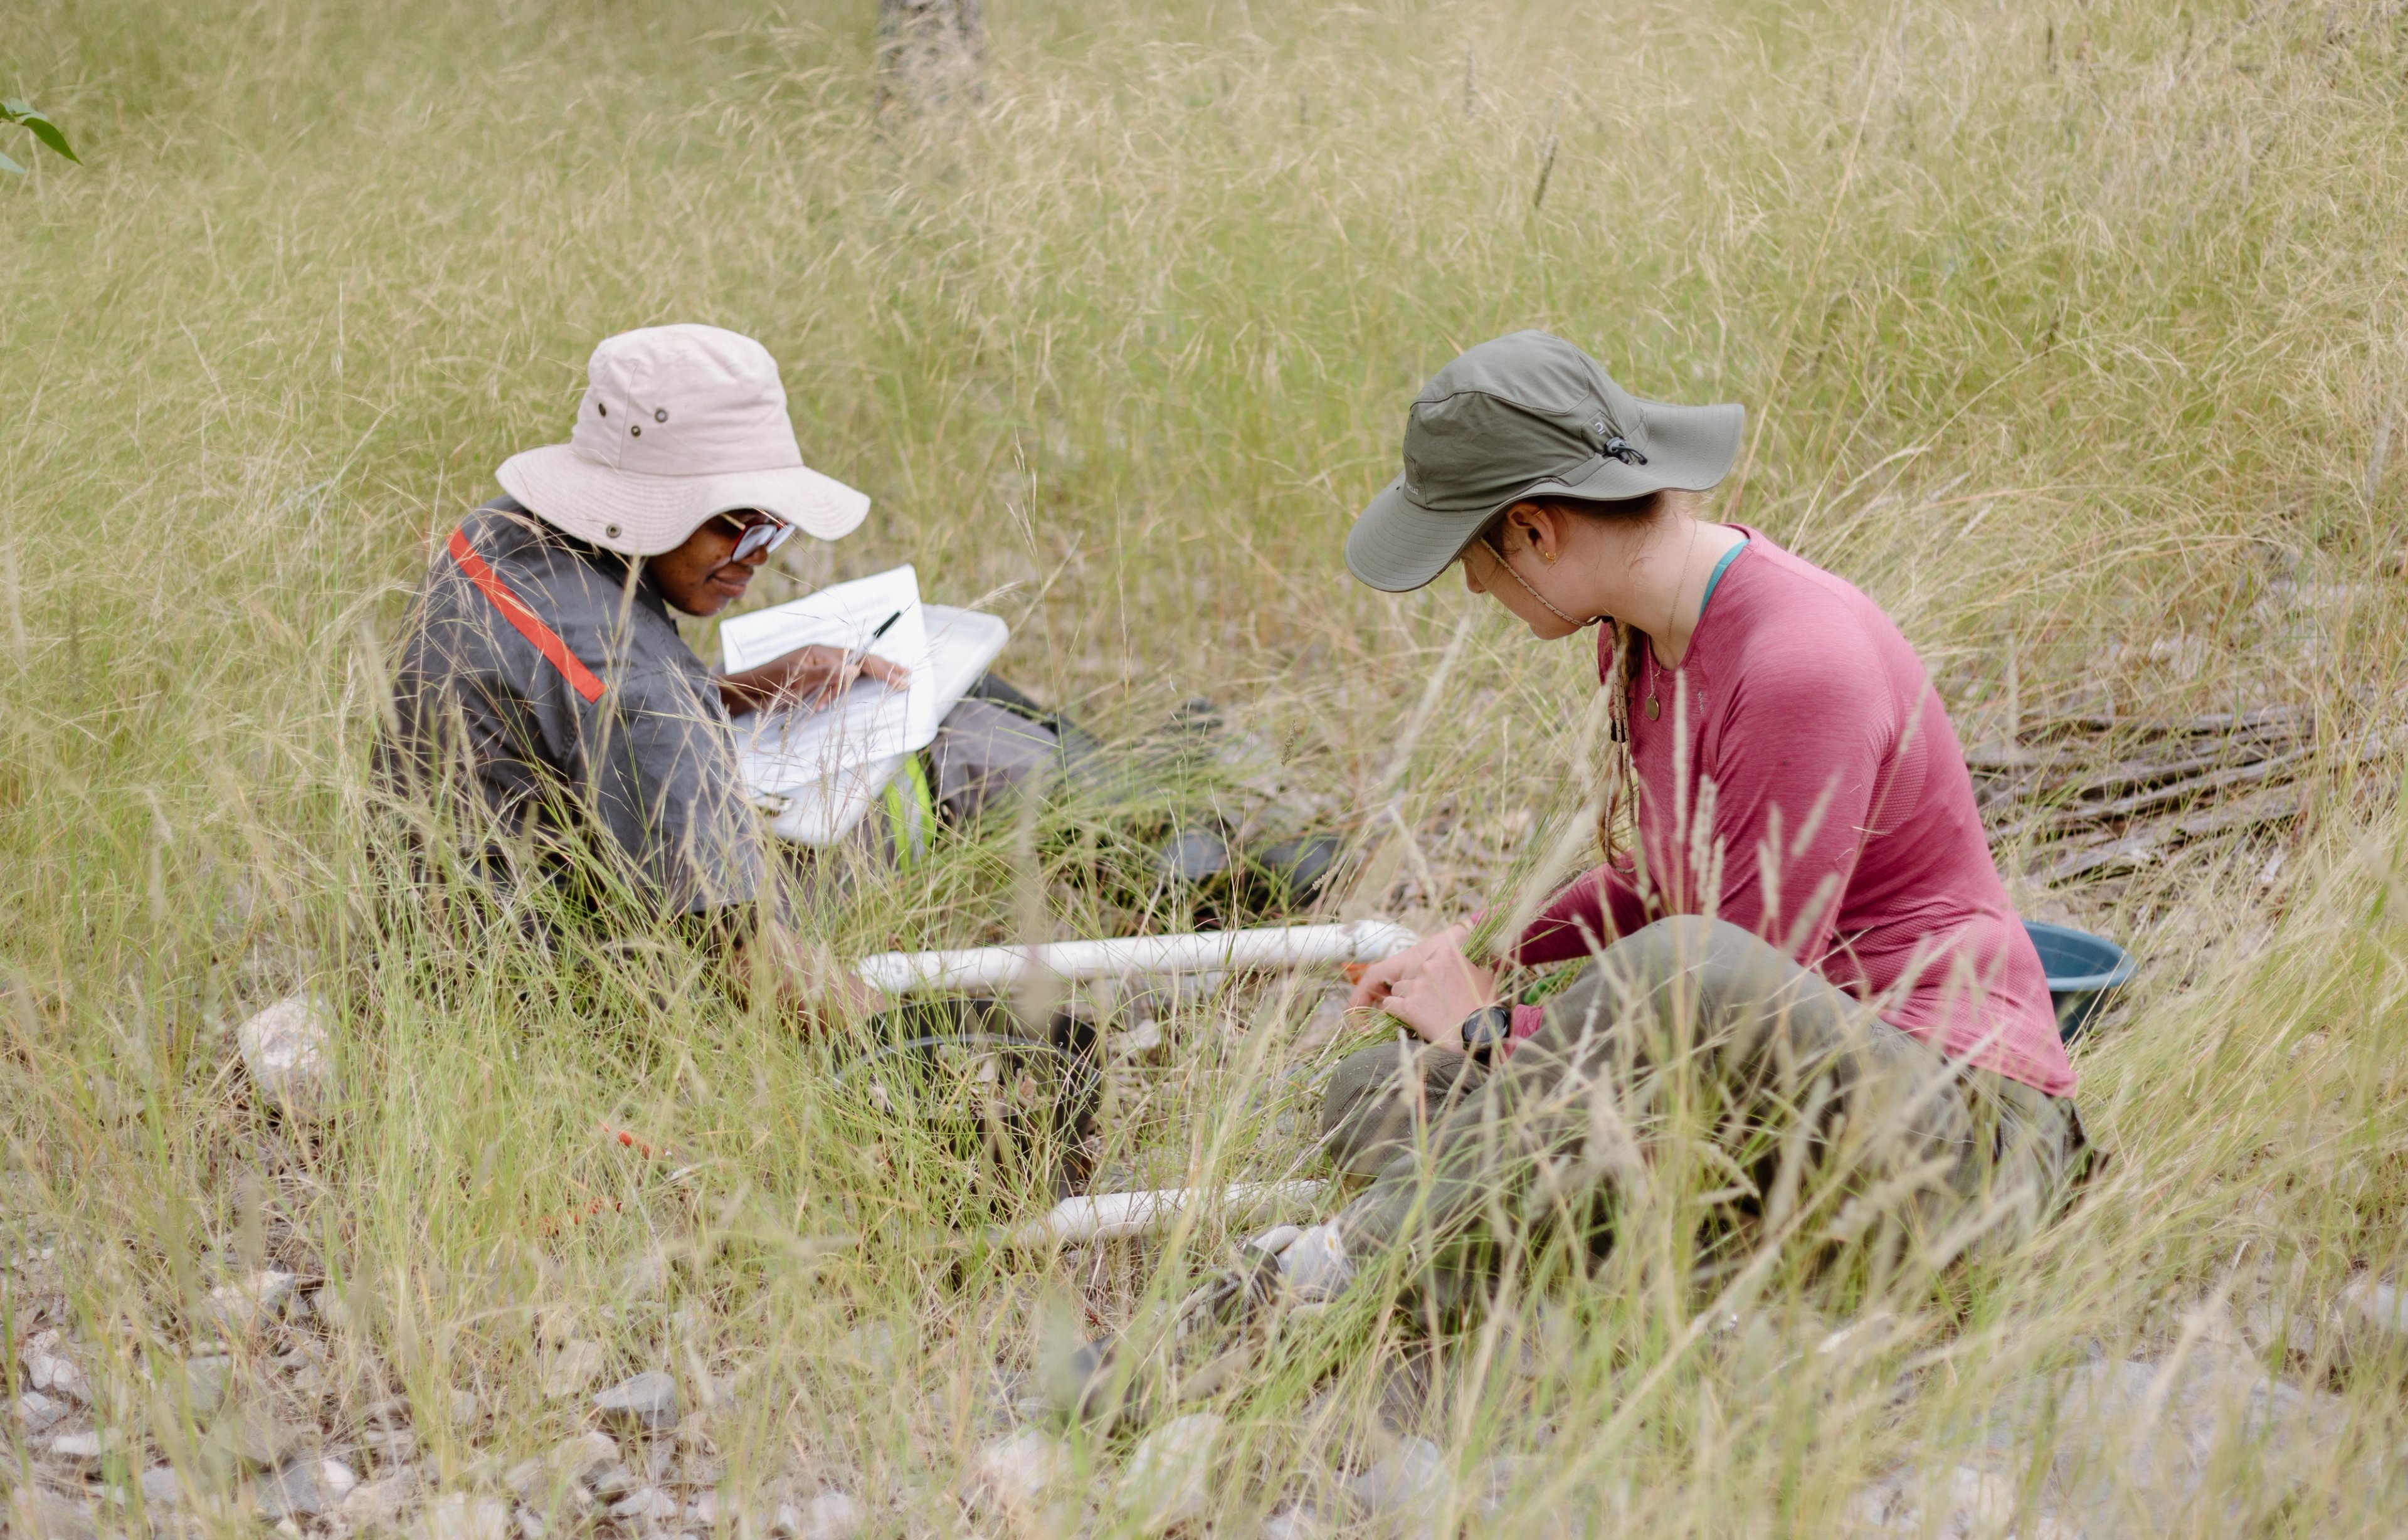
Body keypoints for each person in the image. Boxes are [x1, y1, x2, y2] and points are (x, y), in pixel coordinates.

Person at [1253, 329, 2093, 1307]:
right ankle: (1663, 1254)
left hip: (1955, 1129)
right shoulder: (1643, 641)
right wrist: (1491, 953)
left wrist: (1494, 1029)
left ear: (1533, 529)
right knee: (1372, 1099)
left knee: (1673, 972)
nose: (1473, 588)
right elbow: (1664, 876)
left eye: (1468, 556)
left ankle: (1344, 1272)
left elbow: (1712, 999)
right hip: (1771, 1110)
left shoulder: (1800, 668)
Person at [379, 323, 1058, 1021]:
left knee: (960, 712)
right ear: (643, 509)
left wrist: (734, 693)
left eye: (776, 528)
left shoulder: (499, 532)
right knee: (949, 746)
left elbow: (565, 706)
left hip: (442, 921)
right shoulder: (642, 691)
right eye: (738, 526)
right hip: (561, 984)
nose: (758, 555)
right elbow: (742, 951)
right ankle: (1139, 840)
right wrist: (918, 1058)